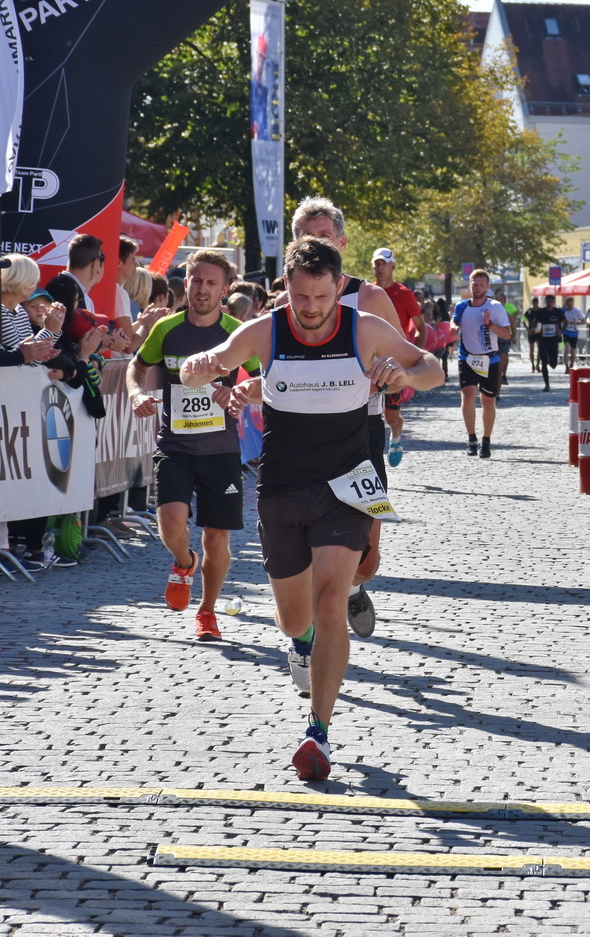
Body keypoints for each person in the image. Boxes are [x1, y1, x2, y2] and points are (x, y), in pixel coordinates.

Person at [180, 236, 443, 780]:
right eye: (301, 296)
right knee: (295, 619)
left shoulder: (363, 328)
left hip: (348, 486)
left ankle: (318, 732)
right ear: (288, 289)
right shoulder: (266, 330)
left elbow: (432, 366)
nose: (312, 308)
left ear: (338, 287)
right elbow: (200, 368)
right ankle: (301, 643)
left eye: (322, 297)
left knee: (330, 604)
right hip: (282, 488)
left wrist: (405, 376)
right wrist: (199, 368)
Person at [291, 198, 408, 637]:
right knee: (303, 544)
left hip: (360, 434)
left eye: (323, 236)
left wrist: (390, 377)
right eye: (306, 236)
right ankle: (309, 636)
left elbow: (408, 363)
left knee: (366, 560)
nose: (315, 243)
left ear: (341, 242)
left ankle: (353, 589)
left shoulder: (370, 298)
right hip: (300, 437)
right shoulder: (283, 301)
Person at [128, 249, 252, 640]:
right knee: (170, 523)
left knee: (216, 538)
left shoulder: (237, 331)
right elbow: (137, 366)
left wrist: (238, 391)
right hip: (176, 446)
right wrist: (135, 393)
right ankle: (184, 562)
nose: (202, 289)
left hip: (221, 450)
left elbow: (266, 376)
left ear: (225, 289)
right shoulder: (167, 329)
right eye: (196, 280)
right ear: (186, 283)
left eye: (212, 283)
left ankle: (207, 612)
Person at [371, 248, 423, 468]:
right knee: (364, 415)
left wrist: (416, 357)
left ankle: (396, 436)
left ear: (392, 266)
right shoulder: (367, 292)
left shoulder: (404, 293)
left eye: (384, 263)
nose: (379, 267)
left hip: (394, 364)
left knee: (391, 417)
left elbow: (420, 327)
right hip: (368, 363)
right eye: (376, 263)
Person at [452, 269, 512, 457]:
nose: (477, 288)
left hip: (489, 359)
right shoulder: (461, 306)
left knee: (488, 400)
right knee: (468, 394)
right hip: (467, 358)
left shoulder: (495, 307)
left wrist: (490, 325)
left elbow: (507, 334)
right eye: (474, 284)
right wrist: (453, 328)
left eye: (481, 285)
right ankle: (471, 439)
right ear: (469, 285)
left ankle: (486, 440)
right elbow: (454, 322)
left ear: (487, 287)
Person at [526, 295, 565, 389]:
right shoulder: (541, 312)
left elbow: (566, 321)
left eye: (551, 301)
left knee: (553, 364)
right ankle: (547, 384)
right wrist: (533, 328)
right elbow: (534, 321)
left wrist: (561, 331)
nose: (549, 303)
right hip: (543, 339)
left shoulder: (558, 312)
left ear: (554, 302)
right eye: (547, 301)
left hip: (554, 340)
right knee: (544, 362)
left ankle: (550, 361)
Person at [562, 296, 584, 367]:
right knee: (567, 348)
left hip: (574, 332)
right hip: (566, 331)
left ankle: (571, 365)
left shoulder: (577, 311)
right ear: (566, 304)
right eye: (568, 304)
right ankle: (566, 366)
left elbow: (584, 321)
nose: (570, 305)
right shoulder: (563, 311)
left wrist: (577, 323)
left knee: (573, 350)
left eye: (571, 304)